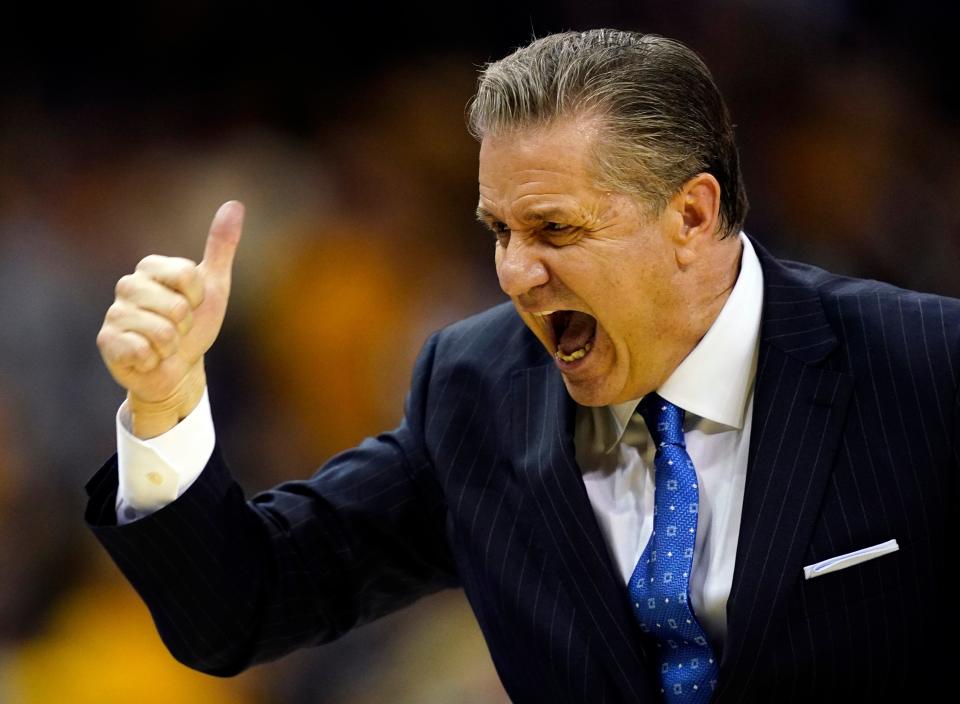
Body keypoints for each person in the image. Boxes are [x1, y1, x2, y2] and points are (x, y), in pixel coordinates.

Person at [86, 30, 959, 702]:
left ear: (692, 215)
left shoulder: (925, 366)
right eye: (498, 231)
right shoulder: (476, 392)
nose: (513, 273)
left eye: (555, 230)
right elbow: (242, 608)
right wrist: (166, 401)